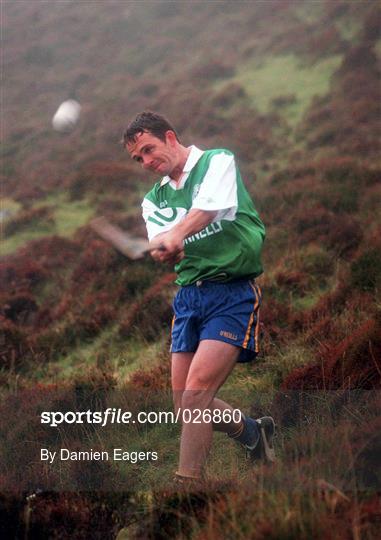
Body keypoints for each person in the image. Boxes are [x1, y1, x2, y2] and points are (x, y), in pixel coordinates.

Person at [123, 111, 275, 486]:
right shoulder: (152, 200)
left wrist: (177, 234)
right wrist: (165, 249)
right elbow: (165, 242)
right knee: (184, 407)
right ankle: (253, 432)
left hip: (232, 293)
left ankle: (187, 489)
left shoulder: (217, 161)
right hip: (189, 298)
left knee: (195, 398)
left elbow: (206, 209)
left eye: (148, 149)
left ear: (170, 138)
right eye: (138, 158)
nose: (146, 162)